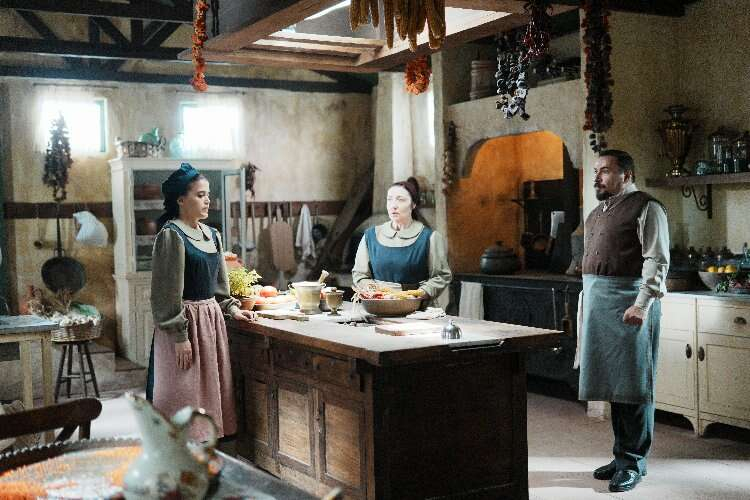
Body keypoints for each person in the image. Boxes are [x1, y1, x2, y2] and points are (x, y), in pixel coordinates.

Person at [578, 150, 670, 492]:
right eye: (596, 171)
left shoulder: (647, 207)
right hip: (600, 304)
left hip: (629, 303)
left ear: (626, 175)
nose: (597, 177)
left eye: (605, 171)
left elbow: (657, 259)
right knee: (614, 384)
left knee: (633, 382)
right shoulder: (597, 213)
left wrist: (642, 304)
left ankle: (633, 462)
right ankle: (621, 456)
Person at [146, 163, 257, 440]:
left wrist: (233, 309)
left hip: (210, 324)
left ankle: (206, 452)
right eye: (200, 195)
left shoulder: (213, 235)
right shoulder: (171, 236)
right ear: (181, 199)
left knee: (208, 395)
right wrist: (179, 336)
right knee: (182, 393)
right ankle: (179, 455)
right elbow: (165, 293)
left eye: (208, 195)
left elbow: (219, 287)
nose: (207, 200)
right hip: (184, 326)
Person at [352, 177, 452, 304]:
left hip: (416, 307)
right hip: (379, 305)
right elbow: (360, 274)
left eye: (400, 200)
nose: (393, 205)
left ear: (413, 204)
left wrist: (421, 293)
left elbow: (442, 275)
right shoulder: (370, 236)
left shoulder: (430, 238)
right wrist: (373, 290)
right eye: (389, 199)